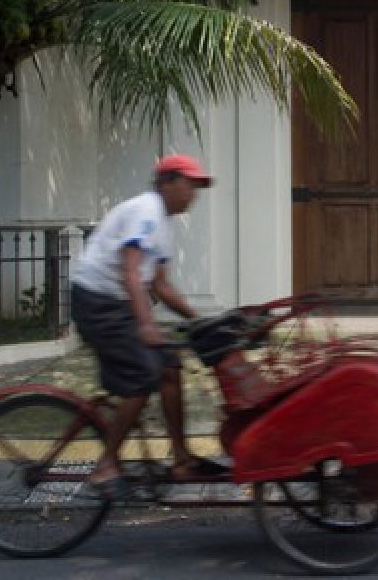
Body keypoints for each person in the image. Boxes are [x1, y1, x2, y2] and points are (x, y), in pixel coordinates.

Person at [71, 154, 223, 499]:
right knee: (143, 376)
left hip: (118, 303)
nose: (194, 194)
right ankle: (105, 465)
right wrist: (146, 325)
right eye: (189, 184)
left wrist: (202, 321)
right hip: (98, 303)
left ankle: (181, 459)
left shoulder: (164, 223)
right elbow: (130, 271)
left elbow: (161, 286)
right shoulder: (146, 211)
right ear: (167, 182)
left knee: (170, 367)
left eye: (197, 187)